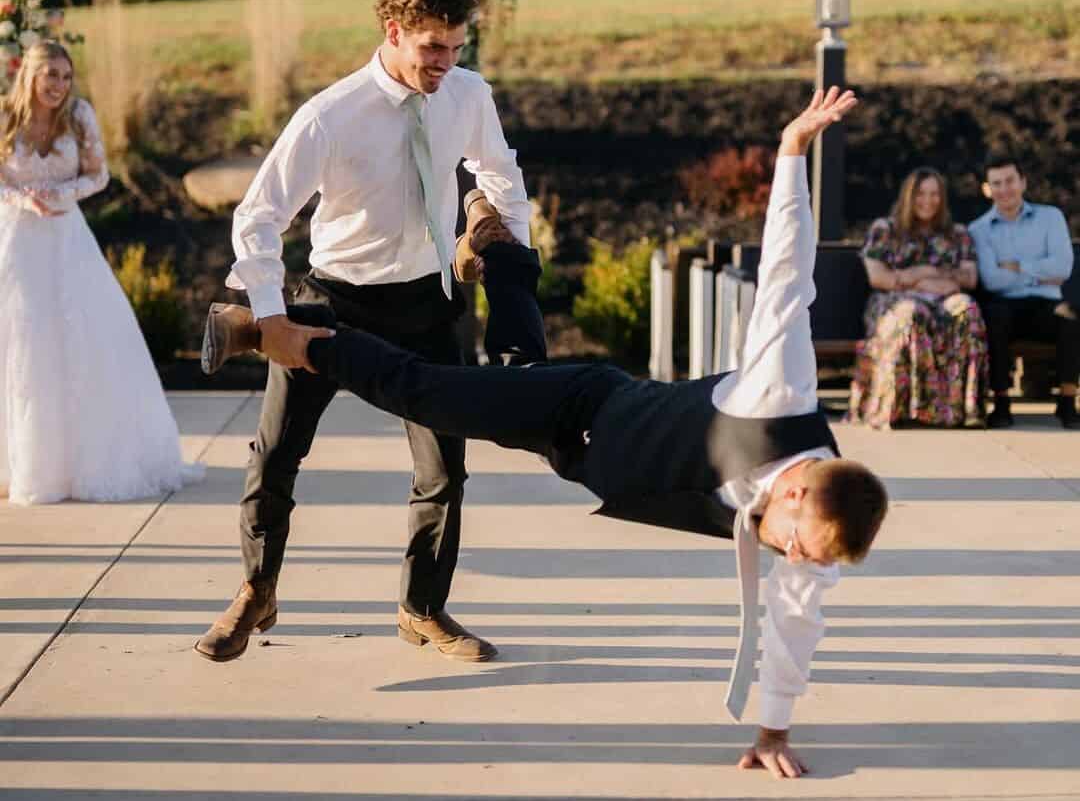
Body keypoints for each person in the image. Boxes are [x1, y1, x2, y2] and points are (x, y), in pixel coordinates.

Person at [203, 87, 889, 780]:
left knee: (517, 362)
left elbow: (796, 623)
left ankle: (489, 241)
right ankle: (272, 331)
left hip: (580, 451)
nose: (795, 555)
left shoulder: (818, 535)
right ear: (798, 486)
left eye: (806, 553)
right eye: (799, 541)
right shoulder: (781, 392)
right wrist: (792, 152)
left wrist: (773, 730)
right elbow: (786, 277)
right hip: (584, 406)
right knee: (431, 394)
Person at [196, 0, 542, 665]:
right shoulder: (330, 114)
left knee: (444, 469)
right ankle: (256, 589)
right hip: (334, 302)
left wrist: (508, 253)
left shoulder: (468, 95)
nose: (444, 63)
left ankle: (422, 609)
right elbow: (258, 217)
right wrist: (273, 318)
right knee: (277, 454)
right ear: (393, 33)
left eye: (455, 46)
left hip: (429, 300)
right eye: (430, 48)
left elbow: (500, 171)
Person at [0, 41, 198, 504]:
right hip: (17, 239)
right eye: (51, 75)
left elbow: (100, 174)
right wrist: (22, 197)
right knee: (21, 341)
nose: (59, 86)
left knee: (82, 337)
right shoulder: (6, 115)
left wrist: (64, 194)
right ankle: (20, 461)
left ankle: (76, 463)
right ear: (29, 73)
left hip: (66, 236)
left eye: (66, 77)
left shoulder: (79, 115)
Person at [848, 168, 988, 429]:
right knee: (911, 312)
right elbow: (878, 277)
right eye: (921, 194)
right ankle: (902, 410)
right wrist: (922, 276)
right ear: (908, 197)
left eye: (935, 194)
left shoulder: (957, 234)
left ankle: (962, 410)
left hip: (944, 300)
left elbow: (969, 278)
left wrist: (924, 276)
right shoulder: (886, 229)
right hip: (895, 302)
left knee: (968, 309)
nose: (928, 200)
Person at [968, 153, 1078, 429]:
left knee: (1071, 318)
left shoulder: (1050, 217)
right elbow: (992, 281)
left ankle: (1067, 403)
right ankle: (1002, 405)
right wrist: (1041, 274)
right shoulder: (978, 229)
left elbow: (1063, 268)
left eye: (1010, 181)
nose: (1004, 189)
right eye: (997, 183)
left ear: (1023, 182)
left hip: (1046, 305)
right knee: (994, 318)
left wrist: (1016, 267)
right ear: (986, 189)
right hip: (1004, 307)